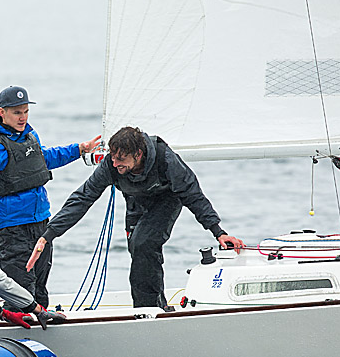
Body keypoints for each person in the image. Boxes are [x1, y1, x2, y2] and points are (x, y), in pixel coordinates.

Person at [27, 126, 246, 310]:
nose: (114, 164)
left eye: (121, 159)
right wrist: (49, 235)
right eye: (112, 158)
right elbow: (83, 197)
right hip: (135, 201)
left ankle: (147, 309)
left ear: (139, 154)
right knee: (138, 249)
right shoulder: (112, 165)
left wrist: (218, 232)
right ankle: (157, 304)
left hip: (166, 200)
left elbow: (193, 194)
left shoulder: (165, 159)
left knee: (144, 243)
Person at [0, 85, 101, 308]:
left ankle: (42, 335)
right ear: (2, 111)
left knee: (40, 293)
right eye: (17, 112)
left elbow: (44, 159)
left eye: (26, 111)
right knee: (21, 295)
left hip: (42, 226)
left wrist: (79, 149)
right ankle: (16, 336)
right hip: (13, 232)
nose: (23, 117)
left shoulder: (29, 135)